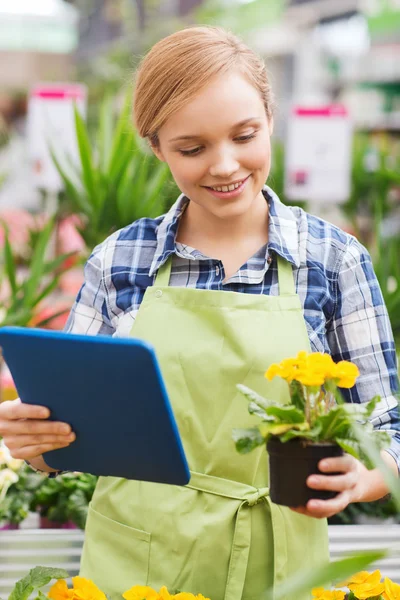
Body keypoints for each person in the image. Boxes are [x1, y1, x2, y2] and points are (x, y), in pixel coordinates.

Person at [0, 26, 399, 600]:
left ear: (269, 117)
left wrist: (364, 477)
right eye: (192, 148)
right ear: (156, 146)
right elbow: (66, 442)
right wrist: (36, 442)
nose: (225, 164)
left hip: (278, 562)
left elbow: (390, 428)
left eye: (245, 135)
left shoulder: (332, 260)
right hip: (134, 564)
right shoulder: (119, 262)